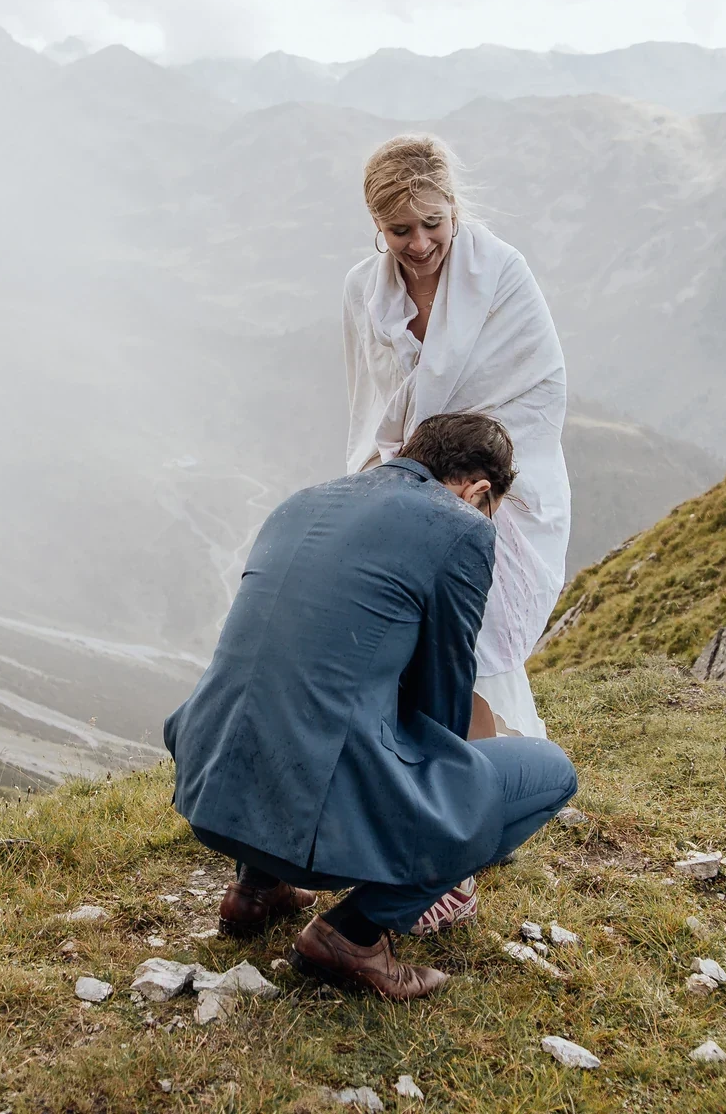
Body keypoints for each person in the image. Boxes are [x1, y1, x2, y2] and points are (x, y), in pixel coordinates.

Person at [163, 412, 579, 1001]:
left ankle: (256, 889)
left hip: (212, 792)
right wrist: (455, 814)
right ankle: (354, 934)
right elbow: (442, 695)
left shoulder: (304, 501)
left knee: (302, 699)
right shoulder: (461, 526)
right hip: (309, 815)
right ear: (478, 492)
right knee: (550, 774)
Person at [343, 134, 570, 744]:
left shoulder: (502, 273)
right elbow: (369, 400)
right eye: (399, 230)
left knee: (473, 616)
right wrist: (389, 477)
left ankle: (496, 752)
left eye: (432, 224)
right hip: (402, 479)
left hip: (490, 482)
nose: (419, 244)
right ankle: (417, 754)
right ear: (376, 226)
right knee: (399, 618)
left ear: (453, 207)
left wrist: (460, 477)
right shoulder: (361, 291)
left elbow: (538, 390)